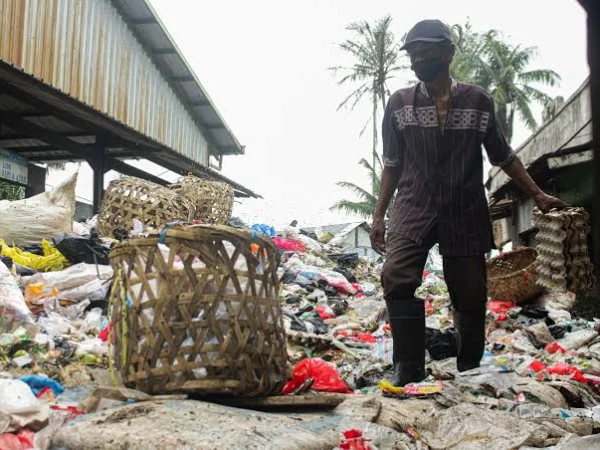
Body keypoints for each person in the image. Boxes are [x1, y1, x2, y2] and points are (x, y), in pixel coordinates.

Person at [370, 19, 567, 387]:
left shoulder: (478, 101)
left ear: (447, 53)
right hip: (414, 205)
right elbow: (392, 164)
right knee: (396, 276)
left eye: (426, 52)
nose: (419, 60)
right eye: (413, 55)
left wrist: (538, 194)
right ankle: (409, 366)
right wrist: (379, 215)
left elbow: (503, 157)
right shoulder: (398, 104)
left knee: (471, 292)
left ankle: (469, 365)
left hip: (464, 208)